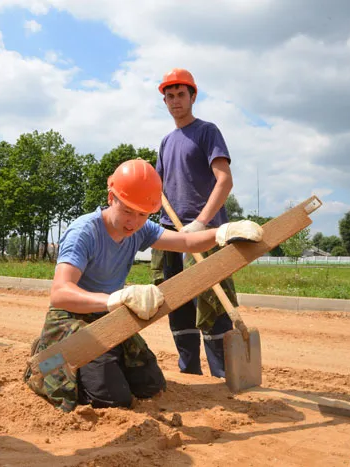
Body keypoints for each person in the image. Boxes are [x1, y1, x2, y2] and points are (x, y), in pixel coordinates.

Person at [24, 159, 262, 412]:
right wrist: (113, 300)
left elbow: (187, 243)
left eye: (142, 214)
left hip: (109, 319)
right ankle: (49, 355)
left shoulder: (140, 229)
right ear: (110, 198)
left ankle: (104, 361)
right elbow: (60, 294)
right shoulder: (84, 233)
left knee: (152, 386)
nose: (133, 222)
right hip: (71, 318)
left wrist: (220, 233)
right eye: (127, 211)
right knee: (112, 400)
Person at [152, 68, 239, 378]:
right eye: (169, 96)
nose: (175, 101)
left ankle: (222, 377)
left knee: (212, 305)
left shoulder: (207, 132)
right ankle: (188, 373)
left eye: (181, 95)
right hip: (170, 234)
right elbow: (157, 191)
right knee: (175, 304)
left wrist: (202, 222)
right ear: (165, 101)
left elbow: (224, 180)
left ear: (193, 97)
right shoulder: (165, 142)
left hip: (204, 233)